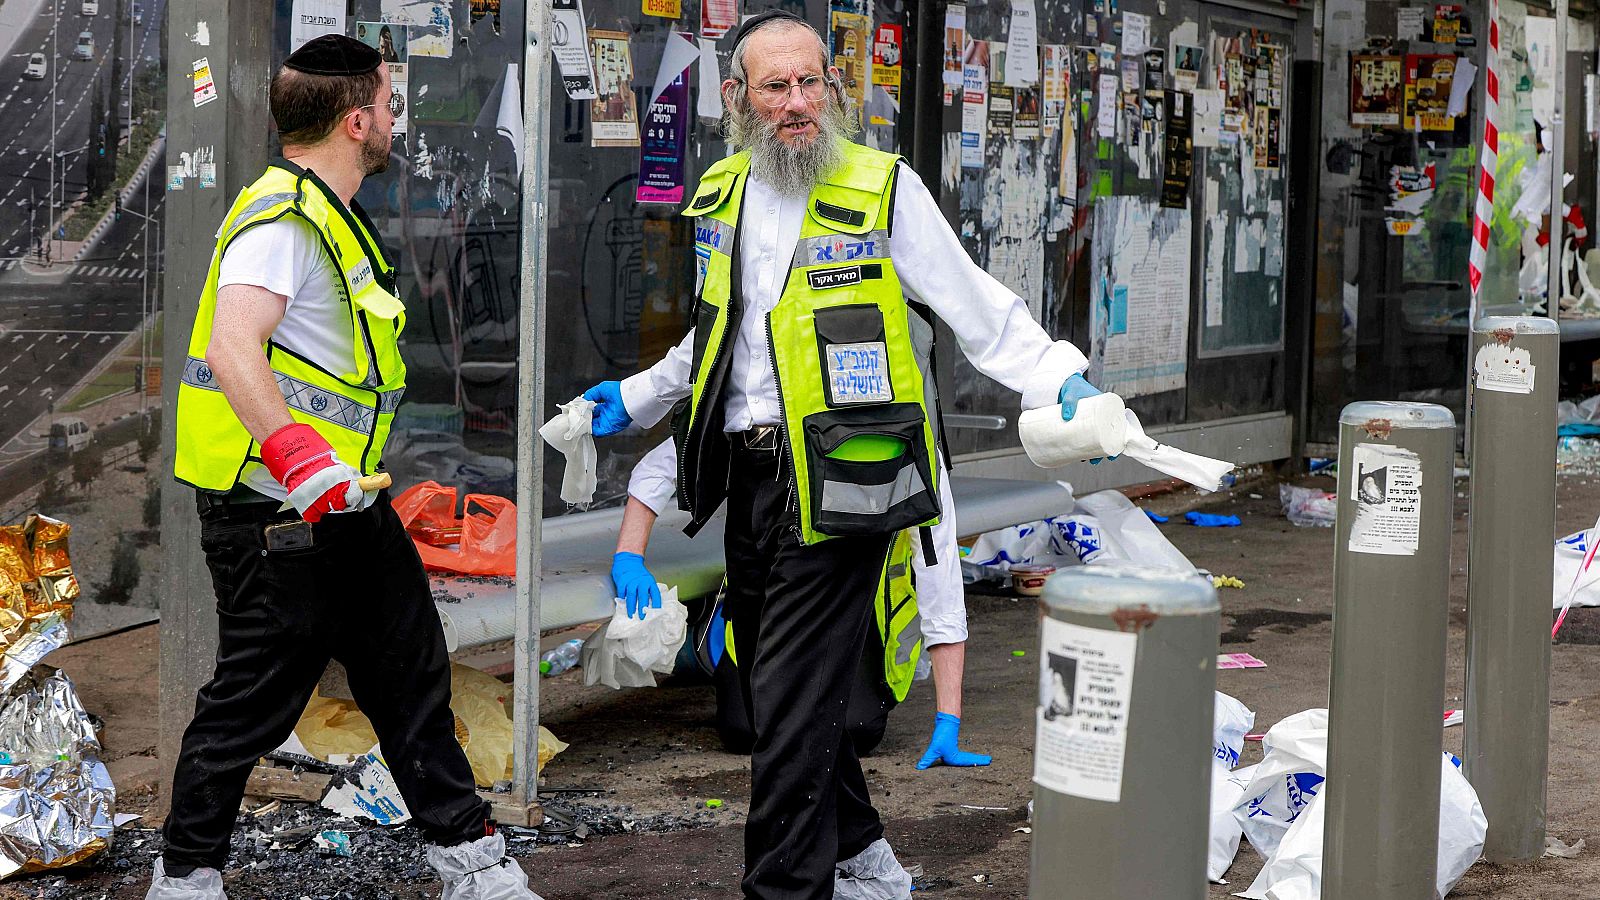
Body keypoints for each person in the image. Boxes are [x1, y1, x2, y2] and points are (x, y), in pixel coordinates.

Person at [578, 12, 1118, 898]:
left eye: (811, 82)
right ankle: (866, 860)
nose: (798, 102)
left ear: (832, 87)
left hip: (846, 477)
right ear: (737, 98)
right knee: (780, 691)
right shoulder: (719, 193)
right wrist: (634, 398)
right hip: (751, 478)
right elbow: (715, 339)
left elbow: (975, 304)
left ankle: (786, 890)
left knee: (786, 707)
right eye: (776, 86)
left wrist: (1058, 377)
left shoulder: (883, 187)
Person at [154, 35, 541, 900]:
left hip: (344, 504)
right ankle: (183, 878)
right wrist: (298, 457)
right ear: (357, 121)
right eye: (390, 104)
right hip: (275, 513)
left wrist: (324, 473)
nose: (396, 119)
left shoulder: (325, 214)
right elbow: (232, 347)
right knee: (254, 700)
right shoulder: (282, 220)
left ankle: (473, 865)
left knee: (411, 676)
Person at [615, 437, 992, 768]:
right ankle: (703, 641)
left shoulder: (904, 432)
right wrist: (629, 556)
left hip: (859, 617)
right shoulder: (771, 408)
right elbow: (665, 461)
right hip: (772, 604)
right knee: (746, 729)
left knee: (850, 730)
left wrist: (948, 717)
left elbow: (939, 572)